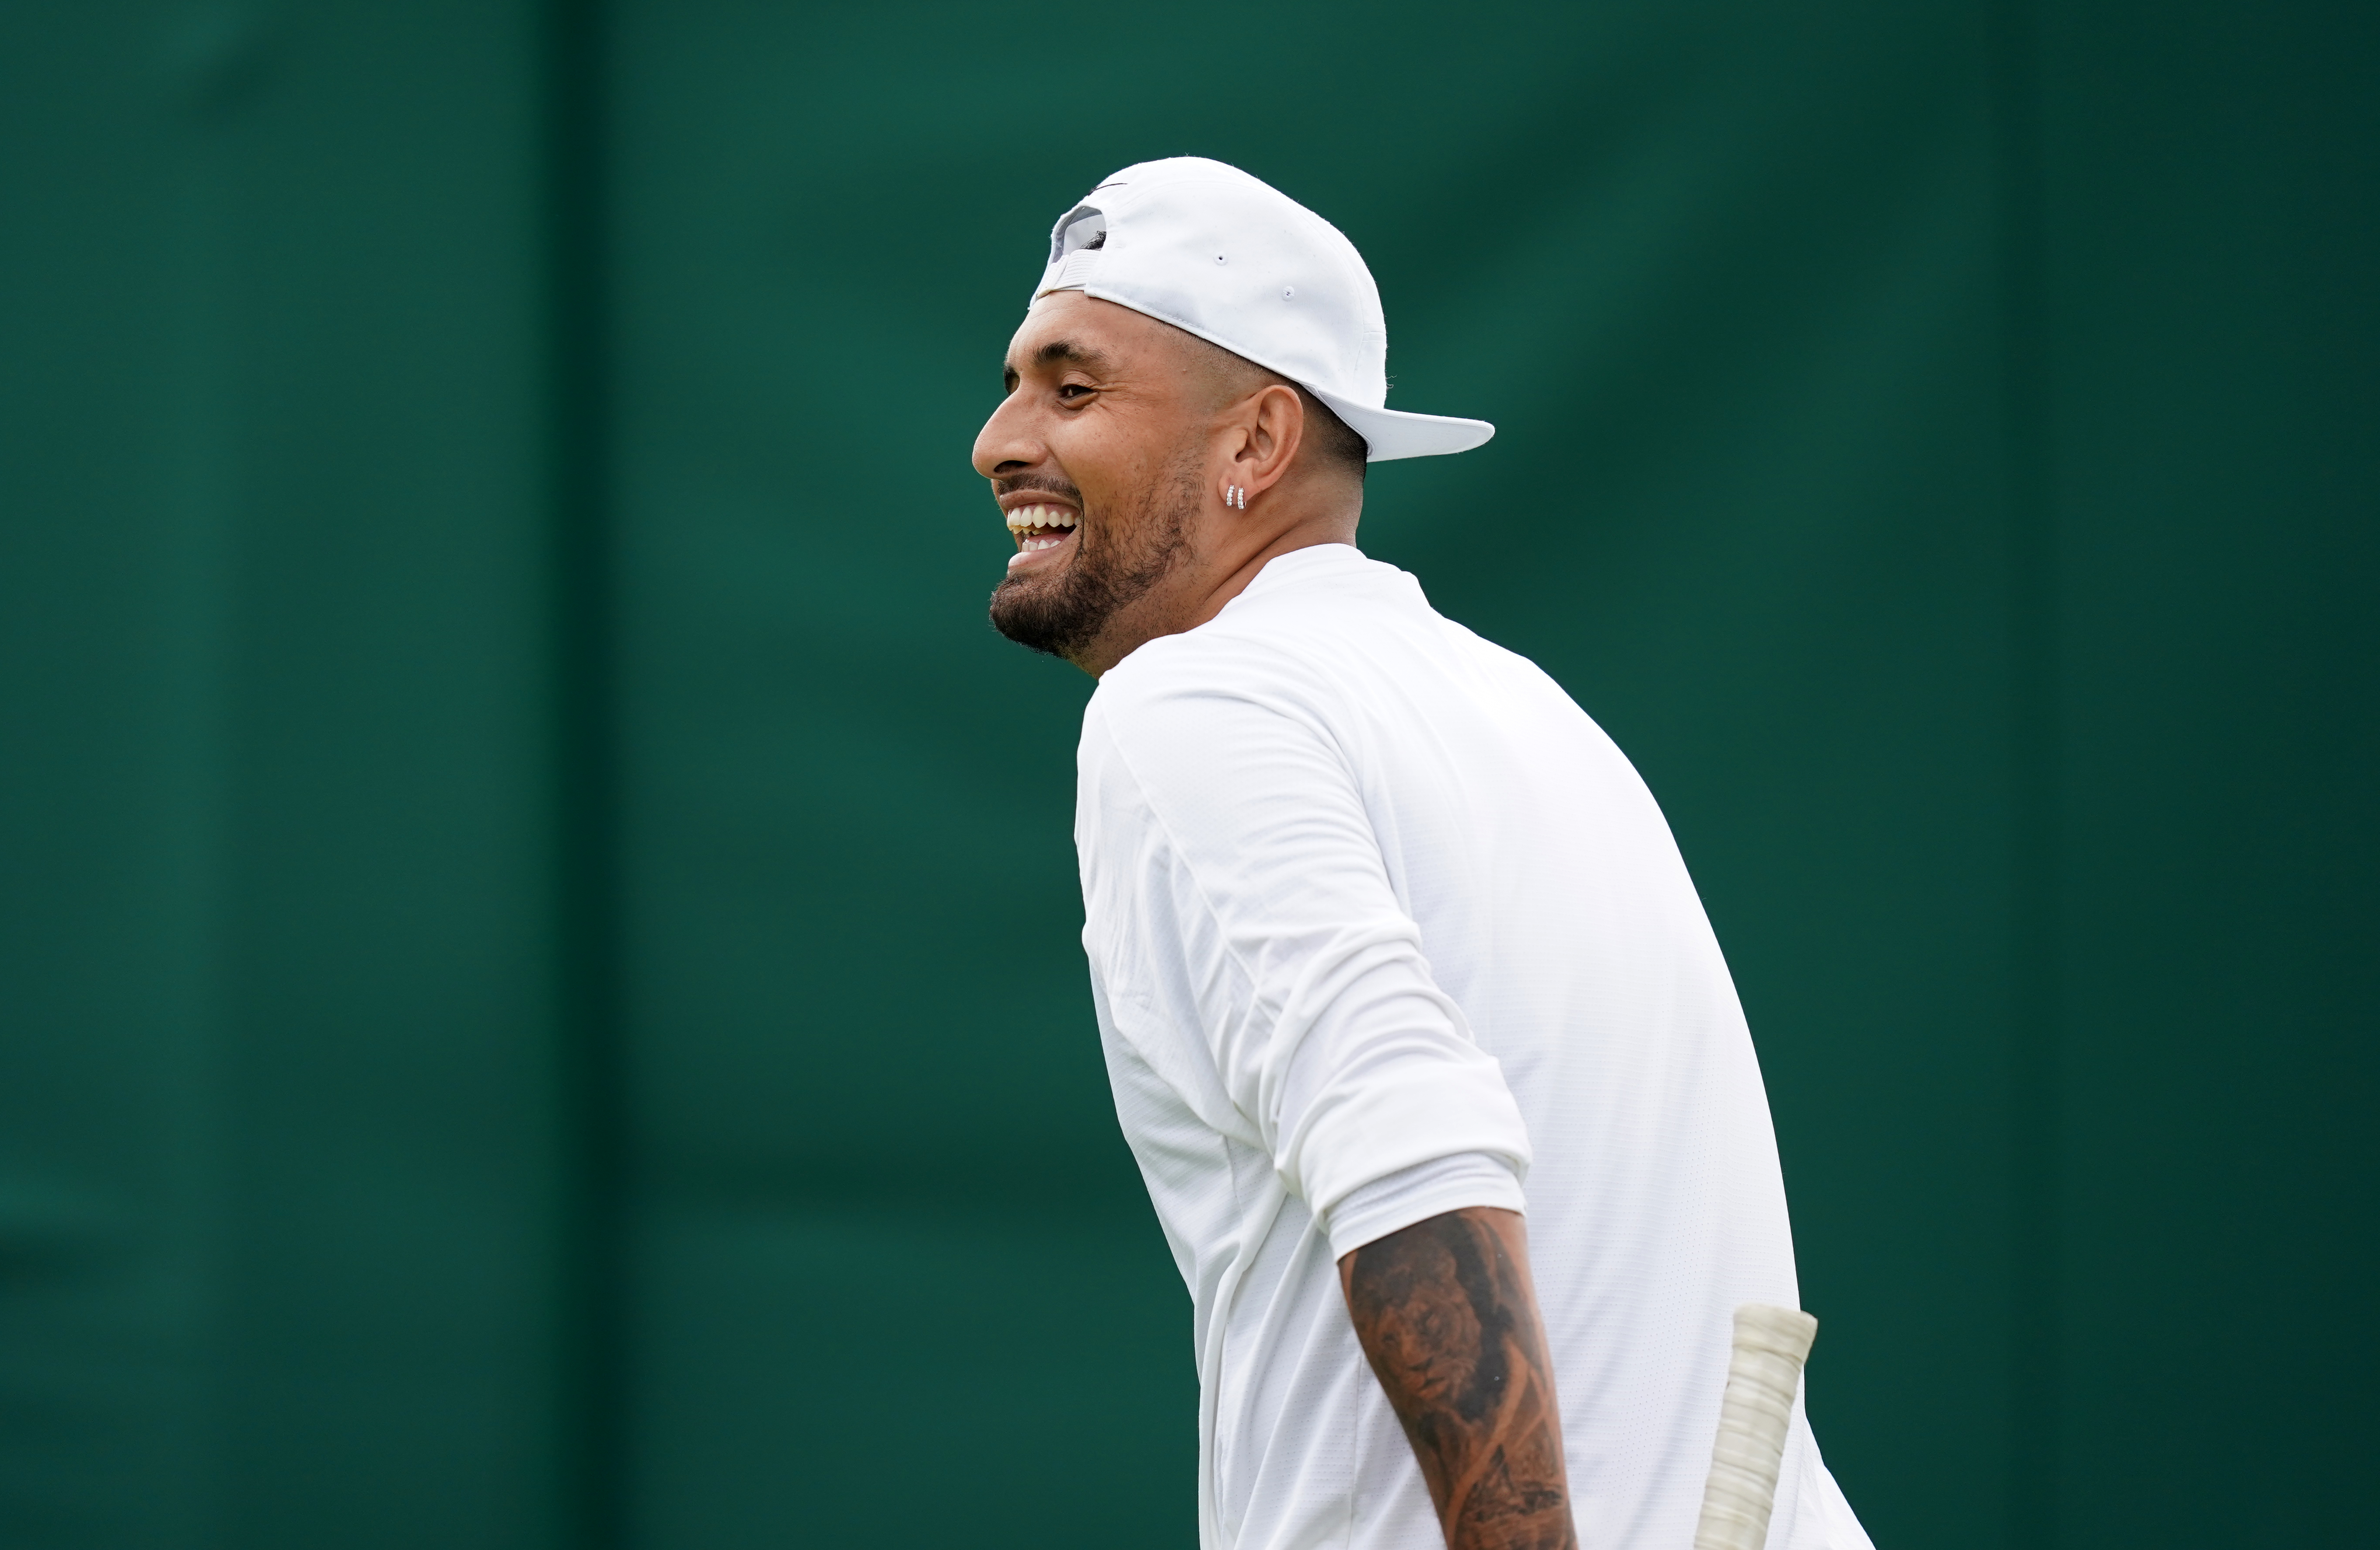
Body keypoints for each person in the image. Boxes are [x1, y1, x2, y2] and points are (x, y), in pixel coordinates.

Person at [972, 157, 1874, 1550]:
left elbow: (1412, 1153)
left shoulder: (1193, 701)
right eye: (1018, 383)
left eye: (1071, 388)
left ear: (1256, 445)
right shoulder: (1529, 712)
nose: (999, 438)